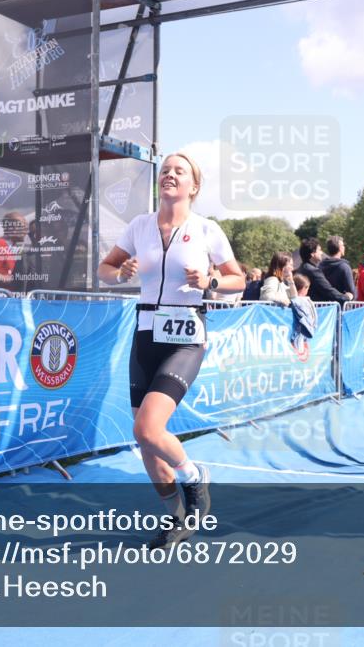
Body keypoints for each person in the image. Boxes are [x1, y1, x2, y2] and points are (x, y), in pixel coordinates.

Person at [97, 152, 244, 550]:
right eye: (165, 170)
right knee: (145, 442)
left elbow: (238, 280)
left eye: (179, 171)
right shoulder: (140, 226)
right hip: (146, 335)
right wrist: (119, 273)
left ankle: (195, 478)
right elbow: (105, 269)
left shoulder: (207, 229)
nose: (170, 175)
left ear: (194, 187)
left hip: (186, 336)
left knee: (148, 428)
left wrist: (211, 280)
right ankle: (176, 517)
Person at [297, 237, 352, 305]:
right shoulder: (313, 271)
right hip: (318, 311)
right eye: (319, 250)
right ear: (312, 254)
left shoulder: (302, 268)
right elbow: (328, 291)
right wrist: (346, 297)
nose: (321, 252)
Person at [319, 235, 356, 299]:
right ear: (340, 248)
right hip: (341, 306)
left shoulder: (320, 266)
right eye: (343, 245)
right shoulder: (344, 267)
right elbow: (351, 292)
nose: (344, 247)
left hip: (323, 307)